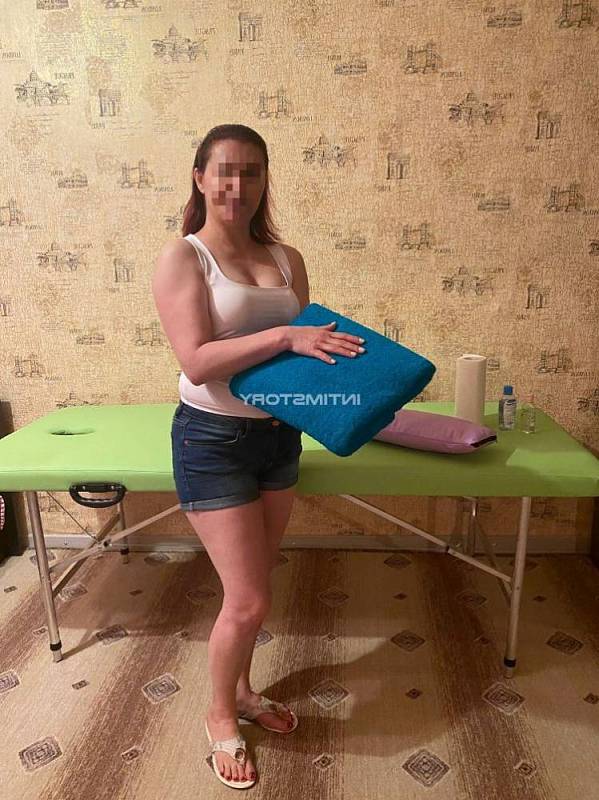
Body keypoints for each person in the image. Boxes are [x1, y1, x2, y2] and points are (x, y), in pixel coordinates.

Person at [152, 123, 364, 788]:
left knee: (256, 589)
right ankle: (220, 715)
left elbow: (309, 347)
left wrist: (356, 385)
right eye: (225, 170)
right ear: (199, 177)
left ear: (265, 180)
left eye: (251, 172)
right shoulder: (184, 257)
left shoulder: (286, 258)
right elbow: (196, 360)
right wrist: (284, 337)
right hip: (212, 440)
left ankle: (243, 692)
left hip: (278, 438)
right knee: (246, 601)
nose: (236, 185)